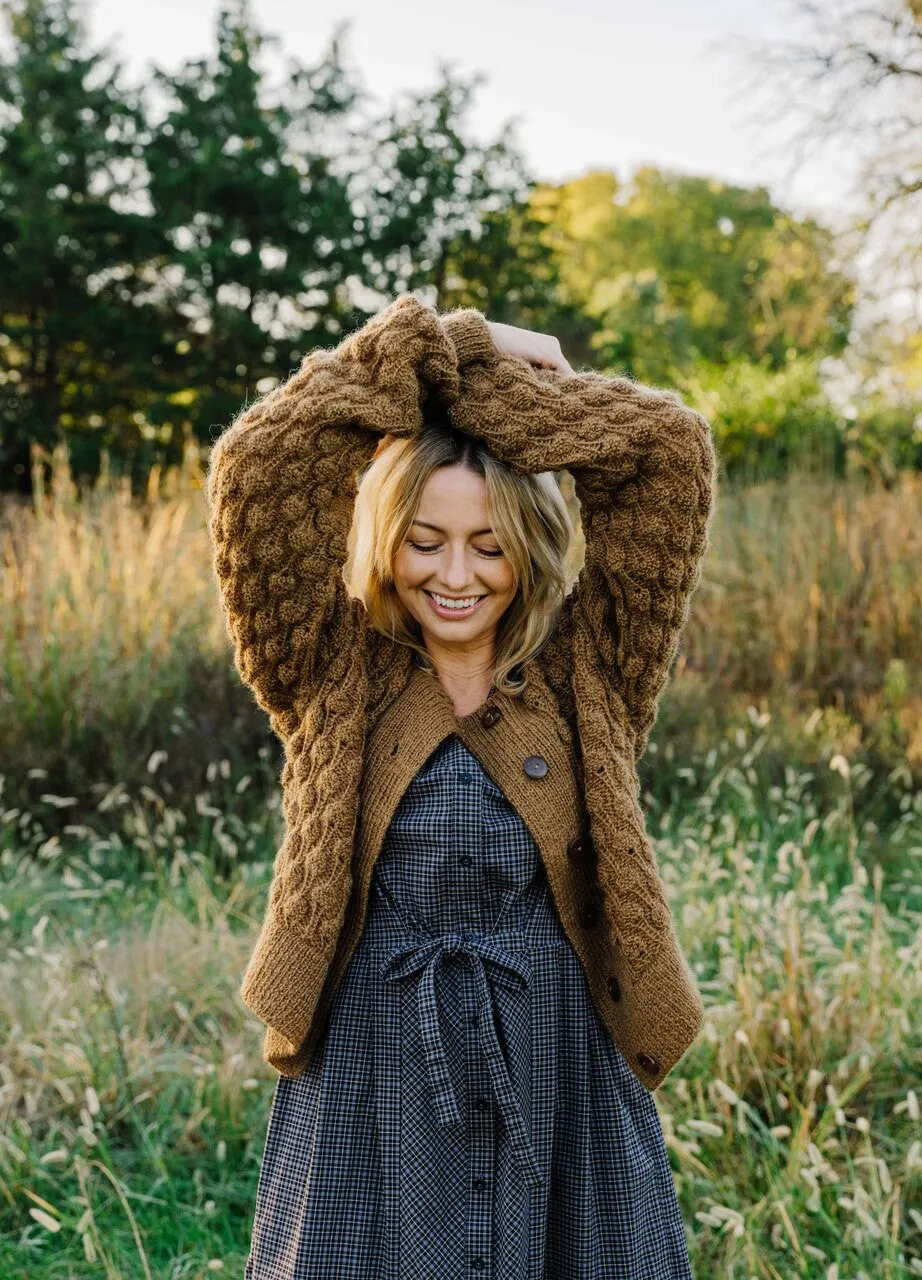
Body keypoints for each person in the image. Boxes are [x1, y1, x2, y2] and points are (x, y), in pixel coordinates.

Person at [205, 294, 717, 1278]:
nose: (456, 572)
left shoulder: (593, 667)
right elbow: (259, 462)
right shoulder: (325, 661)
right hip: (370, 1053)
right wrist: (447, 349)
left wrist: (501, 409)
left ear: (529, 551)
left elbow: (669, 451)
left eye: (490, 543)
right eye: (424, 538)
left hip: (559, 1046)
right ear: (384, 541)